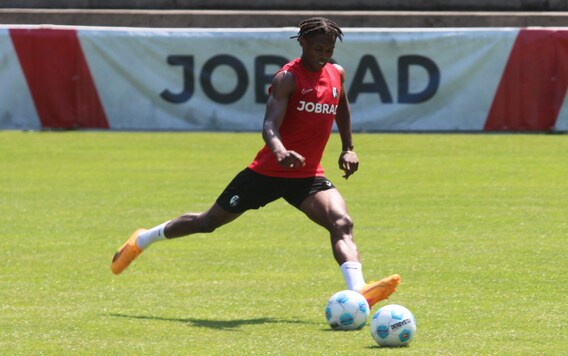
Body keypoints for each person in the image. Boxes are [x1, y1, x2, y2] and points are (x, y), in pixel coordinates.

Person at [111, 17, 400, 308]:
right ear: (303, 43)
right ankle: (143, 239)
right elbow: (269, 126)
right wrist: (280, 151)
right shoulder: (287, 78)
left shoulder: (336, 73)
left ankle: (359, 289)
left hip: (307, 175)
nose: (325, 54)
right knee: (207, 222)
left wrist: (348, 148)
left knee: (342, 223)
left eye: (329, 49)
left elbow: (342, 109)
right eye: (318, 48)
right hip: (267, 172)